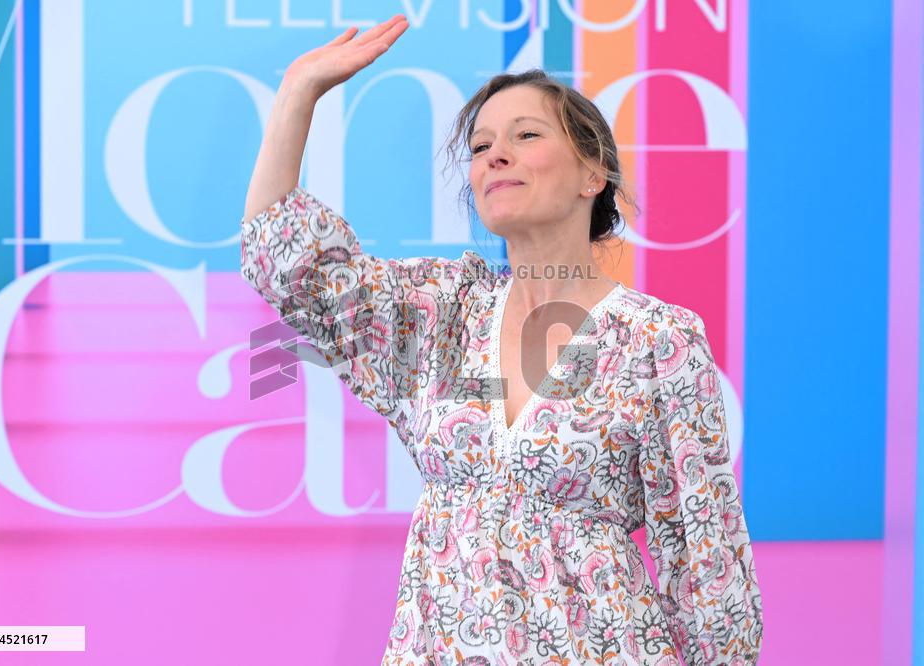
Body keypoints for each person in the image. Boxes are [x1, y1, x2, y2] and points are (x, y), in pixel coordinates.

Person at [240, 13, 763, 665]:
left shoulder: (659, 341)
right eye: (482, 146)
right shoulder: (441, 313)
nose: (496, 155)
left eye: (525, 134)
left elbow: (705, 565)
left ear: (592, 175)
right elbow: (286, 262)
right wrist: (299, 92)